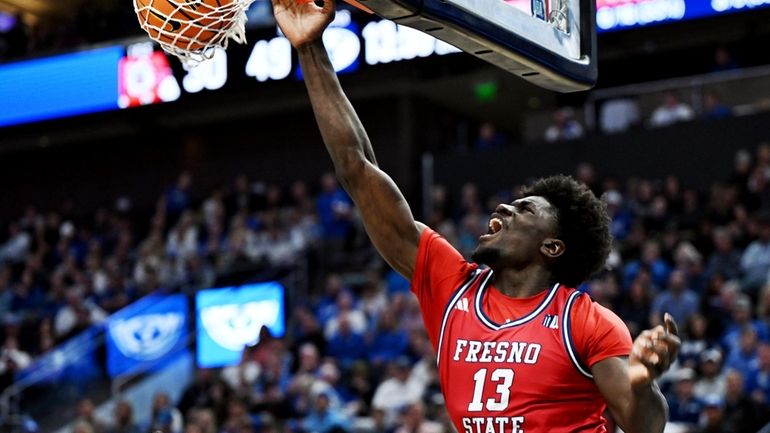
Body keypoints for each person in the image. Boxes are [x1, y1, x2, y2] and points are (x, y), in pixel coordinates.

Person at [271, 1, 681, 432]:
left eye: (525, 210)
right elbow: (357, 168)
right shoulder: (452, 285)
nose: (503, 207)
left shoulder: (583, 319)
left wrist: (641, 383)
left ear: (552, 246)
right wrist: (311, 48)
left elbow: (644, 427)